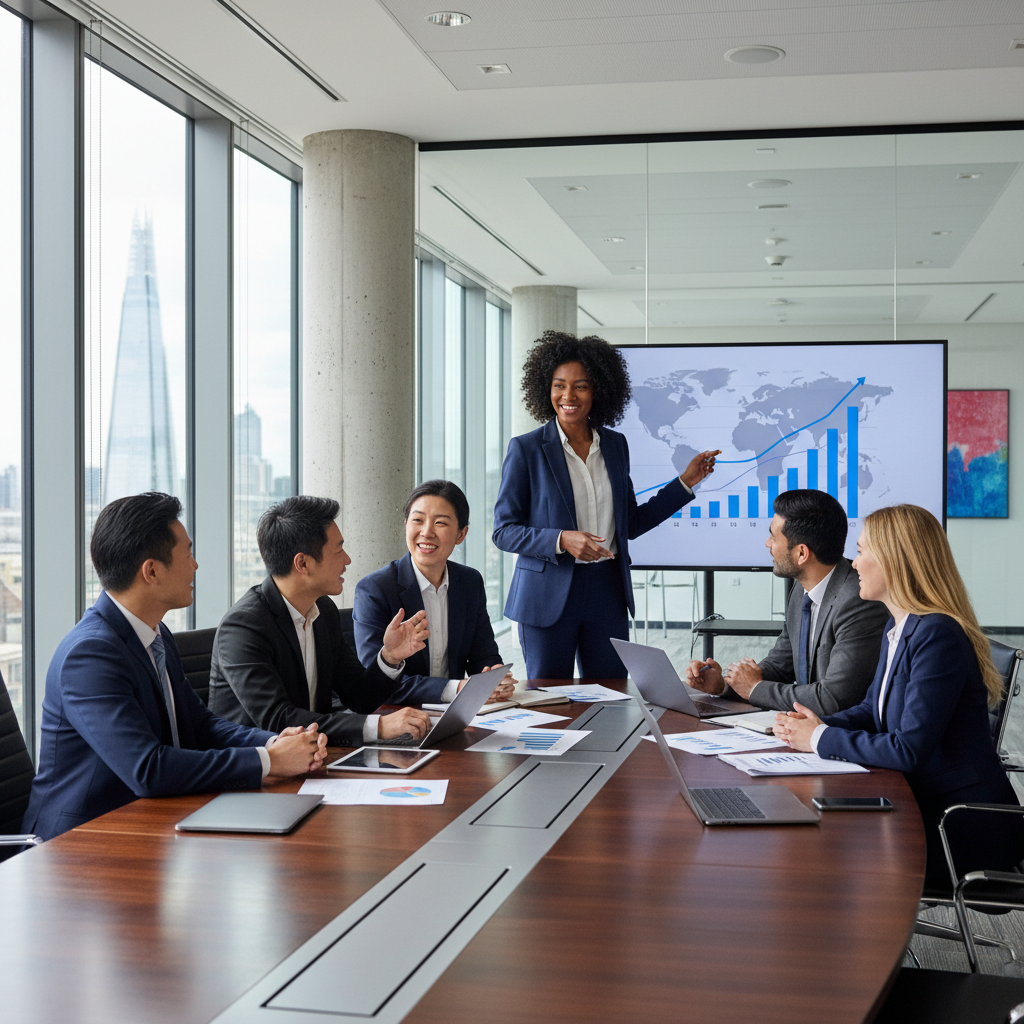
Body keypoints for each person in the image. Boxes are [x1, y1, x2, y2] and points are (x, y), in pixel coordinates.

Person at [23, 493, 327, 841]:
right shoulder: (90, 654)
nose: (195, 566)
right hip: (80, 843)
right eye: (187, 554)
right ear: (151, 571)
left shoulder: (155, 633)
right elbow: (148, 769)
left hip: (151, 822)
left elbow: (199, 725)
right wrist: (269, 761)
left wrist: (275, 742)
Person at [774, 504, 1024, 882]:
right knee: (808, 827)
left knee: (819, 845)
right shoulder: (901, 627)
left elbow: (908, 749)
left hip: (959, 825)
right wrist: (808, 725)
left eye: (860, 551)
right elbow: (871, 711)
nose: (853, 564)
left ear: (894, 560)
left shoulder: (937, 635)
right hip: (921, 805)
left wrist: (820, 738)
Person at [492, 331, 720, 679]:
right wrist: (561, 539)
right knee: (551, 702)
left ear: (598, 389)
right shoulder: (526, 449)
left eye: (580, 386)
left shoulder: (615, 445)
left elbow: (630, 523)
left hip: (606, 592)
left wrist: (685, 483)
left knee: (611, 698)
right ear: (546, 388)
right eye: (559, 385)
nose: (568, 396)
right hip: (547, 596)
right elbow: (504, 531)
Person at [208, 496, 433, 746]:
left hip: (315, 757)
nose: (347, 560)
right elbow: (278, 719)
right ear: (303, 563)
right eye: (338, 550)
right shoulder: (243, 627)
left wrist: (390, 657)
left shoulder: (323, 611)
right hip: (253, 769)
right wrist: (379, 725)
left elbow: (358, 697)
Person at [687, 489, 889, 716]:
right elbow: (780, 665)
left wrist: (754, 688)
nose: (767, 544)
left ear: (801, 553)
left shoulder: (858, 600)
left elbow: (833, 699)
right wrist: (725, 685)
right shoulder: (801, 588)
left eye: (773, 537)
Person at [353, 480, 516, 705]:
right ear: (406, 525)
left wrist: (494, 676)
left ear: (461, 534)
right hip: (396, 715)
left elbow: (484, 655)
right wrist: (457, 688)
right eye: (418, 520)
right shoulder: (375, 589)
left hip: (457, 716)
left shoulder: (469, 582)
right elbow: (377, 679)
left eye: (440, 523)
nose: (427, 532)